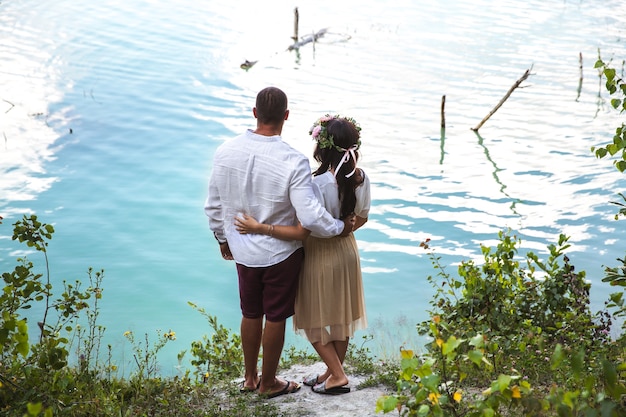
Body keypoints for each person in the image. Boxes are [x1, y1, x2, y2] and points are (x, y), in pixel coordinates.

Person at [204, 87, 354, 399]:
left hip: (243, 249)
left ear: (254, 112)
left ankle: (249, 377)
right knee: (275, 316)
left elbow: (213, 205)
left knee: (250, 312)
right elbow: (311, 217)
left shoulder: (224, 151)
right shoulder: (293, 160)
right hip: (280, 255)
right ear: (286, 116)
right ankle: (269, 383)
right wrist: (339, 227)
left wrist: (222, 238)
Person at [235, 114, 370, 395]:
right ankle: (331, 372)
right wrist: (345, 228)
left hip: (319, 255)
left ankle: (337, 375)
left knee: (312, 320)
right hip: (347, 250)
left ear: (322, 148)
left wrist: (260, 227)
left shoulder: (317, 183)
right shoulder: (360, 177)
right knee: (340, 317)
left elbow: (304, 229)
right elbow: (361, 219)